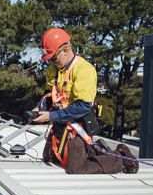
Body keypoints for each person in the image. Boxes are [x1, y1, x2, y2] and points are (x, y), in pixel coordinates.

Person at [31, 28, 138, 174]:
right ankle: (96, 150)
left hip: (78, 127)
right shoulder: (53, 69)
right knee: (50, 158)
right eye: (49, 59)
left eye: (54, 57)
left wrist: (51, 116)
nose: (52, 61)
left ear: (66, 49)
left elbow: (82, 107)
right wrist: (39, 109)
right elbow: (49, 94)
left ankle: (121, 156)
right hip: (60, 125)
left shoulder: (84, 70)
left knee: (77, 168)